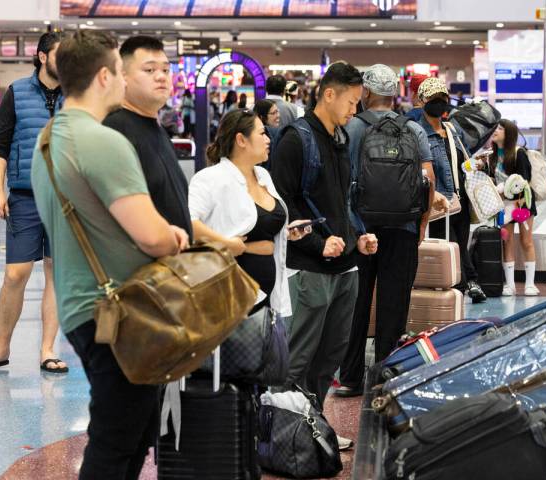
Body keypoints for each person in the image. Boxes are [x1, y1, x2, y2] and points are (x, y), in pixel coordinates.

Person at [31, 30, 189, 479]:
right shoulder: (103, 142)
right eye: (121, 71)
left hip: (84, 304)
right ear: (104, 76)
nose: (124, 80)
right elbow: (153, 236)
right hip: (119, 310)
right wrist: (177, 236)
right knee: (117, 441)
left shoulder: (50, 138)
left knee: (131, 432)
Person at [271, 62, 378, 450]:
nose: (354, 110)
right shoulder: (295, 140)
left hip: (346, 265)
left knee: (331, 354)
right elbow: (285, 204)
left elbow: (342, 199)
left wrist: (357, 236)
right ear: (329, 94)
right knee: (299, 357)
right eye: (350, 102)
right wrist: (317, 243)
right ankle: (285, 436)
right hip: (309, 267)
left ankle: (313, 428)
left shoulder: (340, 139)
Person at [335, 64, 435, 398]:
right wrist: (420, 225)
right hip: (403, 227)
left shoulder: (354, 128)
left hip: (361, 228)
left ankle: (350, 377)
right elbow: (427, 181)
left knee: (357, 303)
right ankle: (385, 378)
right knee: (395, 303)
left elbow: (345, 181)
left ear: (365, 92)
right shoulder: (414, 129)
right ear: (395, 95)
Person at [189, 109, 310, 320]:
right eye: (262, 134)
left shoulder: (263, 175)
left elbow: (263, 225)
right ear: (241, 140)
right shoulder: (210, 179)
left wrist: (287, 232)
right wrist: (228, 243)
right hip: (230, 297)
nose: (268, 139)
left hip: (268, 298)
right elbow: (189, 223)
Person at [0, 31, 66, 373]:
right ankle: (1, 345)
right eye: (59, 54)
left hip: (64, 199)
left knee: (56, 272)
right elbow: (1, 144)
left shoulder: (77, 96)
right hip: (25, 195)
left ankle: (47, 350)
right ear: (42, 57)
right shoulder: (17, 93)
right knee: (16, 273)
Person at [103, 36, 193, 243]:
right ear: (122, 76)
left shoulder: (156, 128)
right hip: (140, 269)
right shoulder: (114, 131)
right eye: (149, 70)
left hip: (173, 267)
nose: (161, 77)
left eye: (165, 70)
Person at [416, 76, 487, 302]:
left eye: (442, 98)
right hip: (438, 201)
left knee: (459, 244)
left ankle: (462, 286)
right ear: (421, 102)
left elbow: (460, 160)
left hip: (460, 198)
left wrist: (473, 164)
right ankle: (469, 283)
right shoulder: (417, 132)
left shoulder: (451, 129)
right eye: (433, 98)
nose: (439, 102)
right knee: (452, 245)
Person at [485, 119, 540, 296]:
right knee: (506, 241)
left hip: (522, 204)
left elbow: (525, 180)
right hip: (501, 207)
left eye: (499, 128)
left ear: (508, 133)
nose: (495, 131)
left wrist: (507, 192)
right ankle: (510, 284)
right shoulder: (490, 156)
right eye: (494, 128)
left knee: (526, 241)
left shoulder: (519, 153)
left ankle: (530, 284)